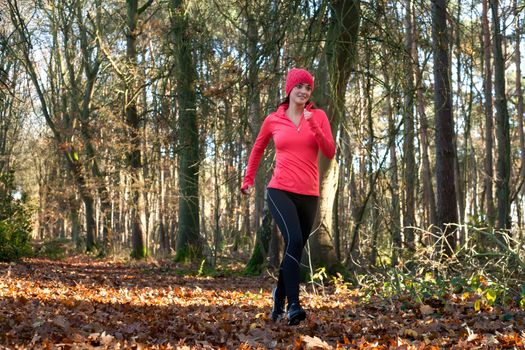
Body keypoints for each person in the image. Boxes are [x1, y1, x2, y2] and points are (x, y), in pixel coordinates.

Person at [241, 68, 336, 325]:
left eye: (308, 88)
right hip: (280, 189)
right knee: (294, 239)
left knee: (295, 247)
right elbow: (258, 148)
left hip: (309, 194)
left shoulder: (318, 116)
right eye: (299, 87)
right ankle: (293, 305)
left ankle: (278, 297)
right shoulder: (273, 119)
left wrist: (314, 125)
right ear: (290, 89)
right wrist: (248, 179)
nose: (304, 91)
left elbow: (329, 151)